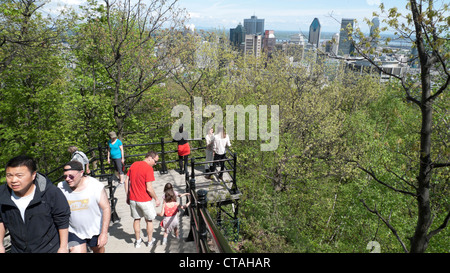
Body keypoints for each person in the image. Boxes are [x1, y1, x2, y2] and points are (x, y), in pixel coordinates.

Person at [0, 155, 70, 253]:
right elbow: (1, 219)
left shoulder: (50, 192)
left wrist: (63, 247)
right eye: (9, 175)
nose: (14, 180)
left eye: (19, 175)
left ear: (33, 175)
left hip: (48, 249)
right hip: (18, 249)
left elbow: (62, 220)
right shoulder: (3, 194)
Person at [57, 161, 111, 253]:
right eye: (65, 176)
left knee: (98, 250)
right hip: (73, 230)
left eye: (71, 176)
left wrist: (104, 233)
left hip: (95, 228)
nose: (68, 179)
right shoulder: (61, 187)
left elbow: (106, 208)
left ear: (81, 173)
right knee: (76, 250)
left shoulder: (95, 186)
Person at [124, 151, 160, 248]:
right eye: (155, 161)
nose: (155, 164)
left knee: (136, 219)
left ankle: (138, 241)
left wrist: (128, 195)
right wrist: (156, 198)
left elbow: (126, 181)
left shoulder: (134, 164)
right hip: (144, 200)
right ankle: (149, 241)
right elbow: (149, 188)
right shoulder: (148, 169)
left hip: (133, 199)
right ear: (150, 158)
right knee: (149, 221)